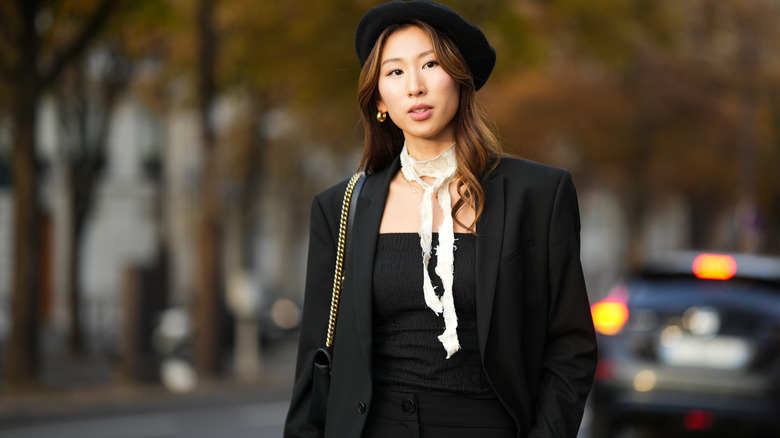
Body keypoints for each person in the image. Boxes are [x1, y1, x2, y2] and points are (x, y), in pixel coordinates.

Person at [284, 1, 597, 437]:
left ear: (459, 76)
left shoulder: (539, 195)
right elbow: (315, 359)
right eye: (394, 72)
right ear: (378, 98)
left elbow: (571, 346)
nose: (414, 86)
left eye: (430, 64)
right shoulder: (339, 208)